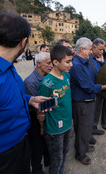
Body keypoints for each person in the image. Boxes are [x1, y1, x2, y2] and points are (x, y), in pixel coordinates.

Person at [0, 12, 50, 174]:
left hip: (19, 146)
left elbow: (1, 98)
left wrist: (30, 99)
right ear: (23, 42)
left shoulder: (6, 63)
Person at [69, 37, 106, 165]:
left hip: (89, 100)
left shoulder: (85, 62)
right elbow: (88, 87)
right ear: (81, 49)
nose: (91, 52)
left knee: (86, 128)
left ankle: (84, 147)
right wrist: (105, 87)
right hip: (82, 102)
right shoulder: (76, 65)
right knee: (81, 129)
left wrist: (102, 64)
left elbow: (97, 74)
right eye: (90, 49)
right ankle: (80, 154)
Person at [38, 44, 73, 174]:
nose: (71, 65)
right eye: (68, 62)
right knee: (56, 158)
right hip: (54, 129)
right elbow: (41, 109)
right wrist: (42, 127)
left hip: (68, 123)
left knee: (65, 153)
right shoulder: (47, 84)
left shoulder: (67, 76)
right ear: (56, 62)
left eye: (71, 61)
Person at [24, 52, 53, 174]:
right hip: (35, 119)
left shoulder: (48, 76)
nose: (51, 65)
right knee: (36, 146)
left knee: (46, 142)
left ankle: (48, 160)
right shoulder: (30, 81)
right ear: (39, 64)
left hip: (46, 115)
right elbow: (38, 107)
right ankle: (37, 169)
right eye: (48, 63)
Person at [91, 38, 106, 135]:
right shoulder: (89, 59)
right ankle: (89, 132)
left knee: (97, 111)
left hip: (100, 89)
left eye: (103, 50)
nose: (102, 52)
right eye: (100, 50)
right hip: (92, 90)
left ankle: (94, 128)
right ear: (93, 47)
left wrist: (102, 62)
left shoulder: (99, 58)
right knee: (91, 113)